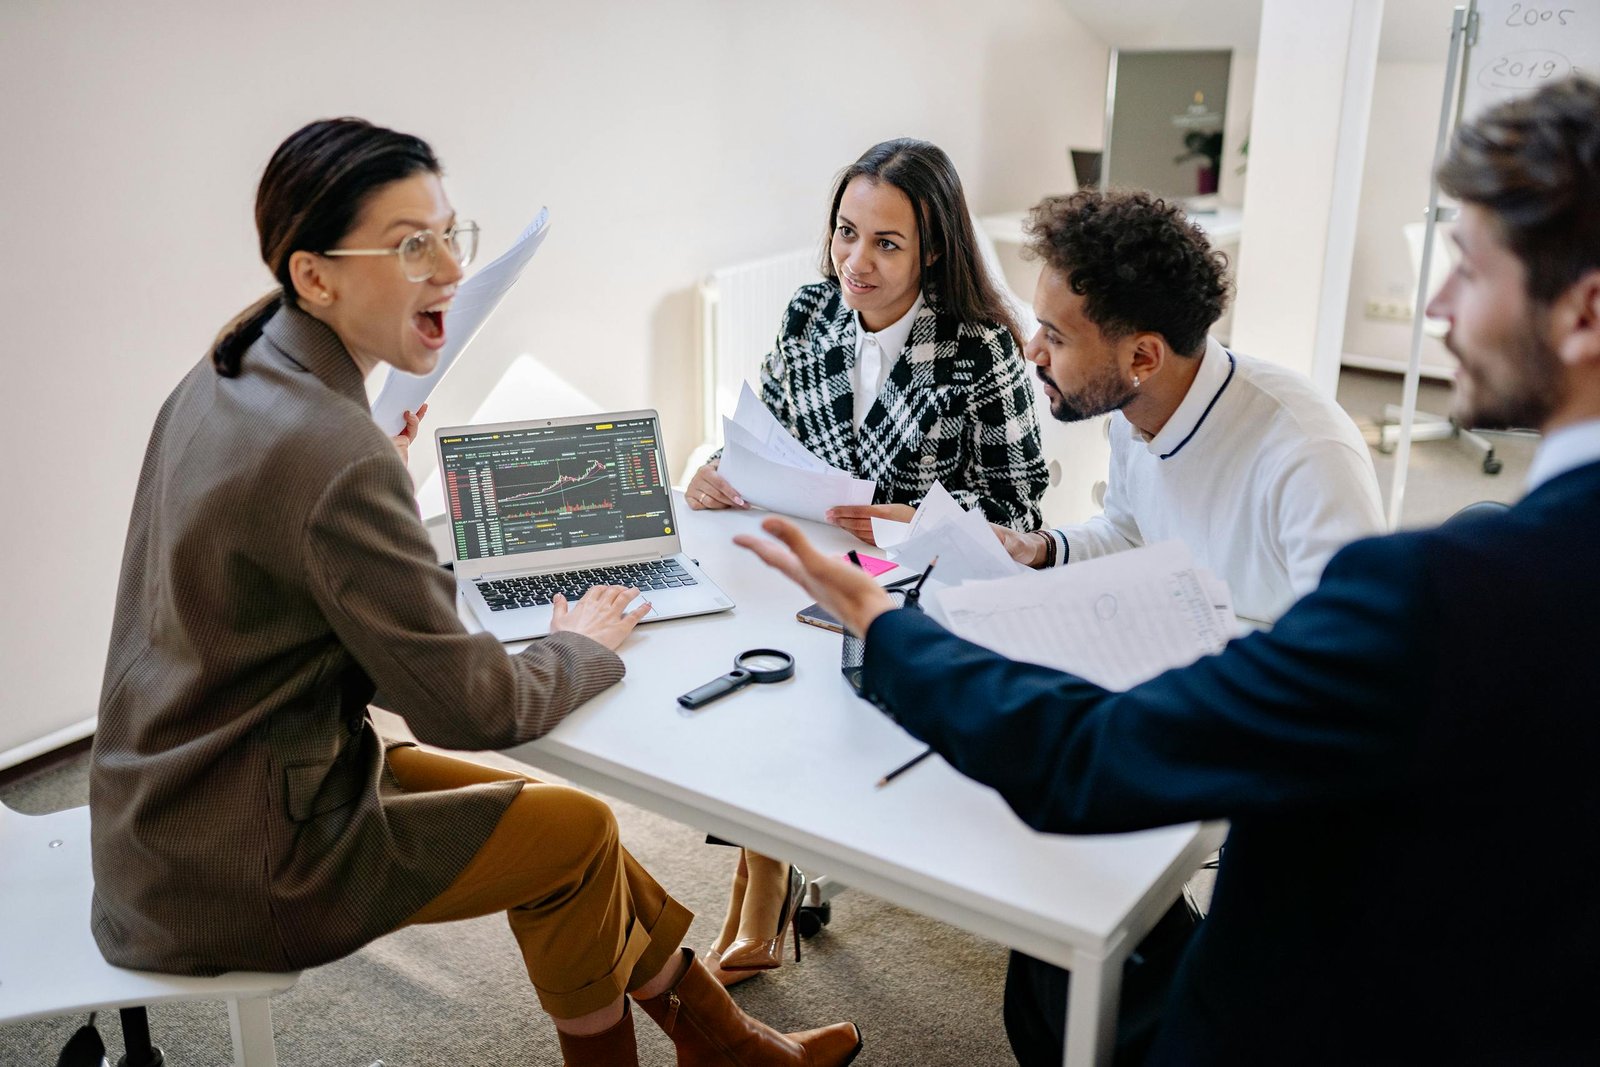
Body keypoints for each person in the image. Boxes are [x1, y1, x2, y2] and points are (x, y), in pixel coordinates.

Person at [735, 76, 1600, 1065]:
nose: (1436, 302)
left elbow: (1327, 665)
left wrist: (878, 619)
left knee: (1063, 890)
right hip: (1198, 685)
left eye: (1468, 268)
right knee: (1045, 930)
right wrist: (1047, 548)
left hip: (1256, 771)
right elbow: (1127, 527)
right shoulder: (1139, 419)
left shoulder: (1313, 464)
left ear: (1141, 354)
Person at [88, 117, 861, 1067]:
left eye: (454, 234)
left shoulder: (231, 369)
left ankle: (730, 1045)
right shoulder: (333, 451)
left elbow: (290, 583)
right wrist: (580, 643)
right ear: (314, 275)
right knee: (575, 833)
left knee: (558, 827)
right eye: (412, 245)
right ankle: (719, 1049)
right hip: (246, 856)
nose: (450, 270)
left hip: (176, 801)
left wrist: (379, 476)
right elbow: (465, 707)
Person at [687, 137, 1051, 986]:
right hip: (804, 563)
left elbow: (1020, 514)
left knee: (794, 677)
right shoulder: (810, 311)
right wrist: (718, 466)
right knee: (733, 657)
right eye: (846, 233)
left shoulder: (980, 349)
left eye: (886, 244)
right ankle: (766, 862)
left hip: (914, 588)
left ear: (932, 251)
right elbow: (764, 432)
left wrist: (905, 517)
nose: (856, 261)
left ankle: (766, 873)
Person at [994, 188, 1384, 624]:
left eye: (1055, 336)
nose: (1032, 351)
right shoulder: (1137, 408)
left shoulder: (1309, 456)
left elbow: (1354, 645)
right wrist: (1038, 547)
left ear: (1143, 357)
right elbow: (1130, 535)